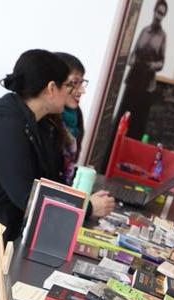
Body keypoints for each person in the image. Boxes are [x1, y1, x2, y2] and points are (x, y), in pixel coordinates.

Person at [0, 49, 68, 240]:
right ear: (52, 88)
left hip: (8, 232)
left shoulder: (36, 123)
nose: (71, 92)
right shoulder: (3, 126)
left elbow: (48, 181)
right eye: (67, 86)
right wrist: (87, 208)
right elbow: (27, 197)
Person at [52, 52, 115, 217]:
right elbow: (50, 181)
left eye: (82, 83)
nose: (82, 90)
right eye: (74, 83)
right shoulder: (46, 120)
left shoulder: (75, 115)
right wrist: (87, 207)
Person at [117, 0, 167, 140]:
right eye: (158, 12)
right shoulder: (144, 31)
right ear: (154, 11)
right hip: (133, 79)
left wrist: (151, 65)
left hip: (146, 85)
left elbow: (161, 62)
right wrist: (131, 60)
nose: (159, 16)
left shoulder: (162, 37)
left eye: (162, 14)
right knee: (122, 116)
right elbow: (133, 53)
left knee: (137, 124)